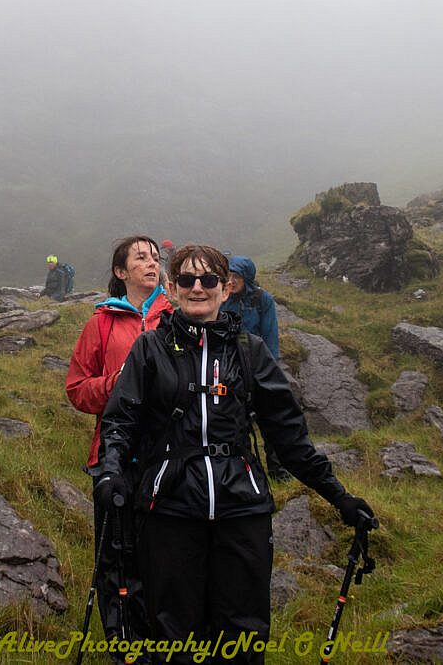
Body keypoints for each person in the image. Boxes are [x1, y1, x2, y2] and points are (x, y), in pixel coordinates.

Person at [95, 244, 373, 664]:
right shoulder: (150, 349)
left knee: (243, 634)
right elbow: (121, 420)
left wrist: (340, 497)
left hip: (242, 509)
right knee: (172, 634)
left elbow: (290, 437)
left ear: (226, 289)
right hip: (169, 509)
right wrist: (110, 470)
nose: (198, 288)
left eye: (208, 280)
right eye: (187, 280)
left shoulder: (251, 351)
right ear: (172, 287)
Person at [66, 235, 173, 647]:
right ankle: (123, 643)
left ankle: (166, 639)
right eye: (140, 257)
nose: (151, 262)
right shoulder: (101, 324)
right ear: (120, 272)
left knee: (165, 555)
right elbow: (77, 390)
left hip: (170, 458)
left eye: (155, 257)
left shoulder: (177, 319)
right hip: (113, 458)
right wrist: (120, 383)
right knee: (115, 557)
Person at [221, 255, 288, 480]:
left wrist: (271, 370)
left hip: (257, 364)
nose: (231, 280)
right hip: (230, 368)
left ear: (247, 277)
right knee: (236, 421)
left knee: (270, 419)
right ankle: (245, 472)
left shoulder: (261, 299)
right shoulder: (222, 298)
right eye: (228, 275)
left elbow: (270, 334)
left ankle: (279, 472)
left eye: (236, 276)